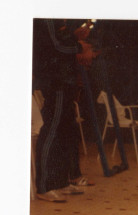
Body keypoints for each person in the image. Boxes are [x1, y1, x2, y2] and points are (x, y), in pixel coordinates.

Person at [33, 19, 97, 202]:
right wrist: (79, 47)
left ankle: (61, 181)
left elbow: (61, 41)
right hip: (56, 81)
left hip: (66, 79)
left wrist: (75, 37)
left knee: (65, 132)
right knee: (52, 130)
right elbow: (54, 45)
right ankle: (44, 186)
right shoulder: (45, 16)